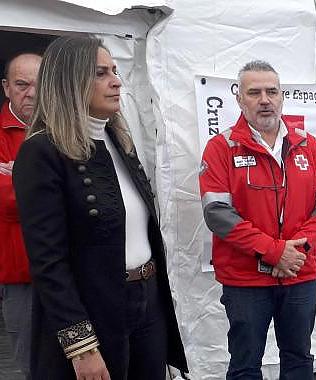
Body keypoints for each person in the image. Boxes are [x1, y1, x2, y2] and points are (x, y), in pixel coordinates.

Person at [12, 35, 188, 379]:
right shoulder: (42, 153)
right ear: (69, 81)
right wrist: (81, 347)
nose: (116, 80)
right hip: (95, 308)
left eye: (115, 70)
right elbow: (48, 261)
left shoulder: (118, 140)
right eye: (100, 73)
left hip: (147, 300)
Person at [199, 60, 316, 379]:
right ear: (239, 98)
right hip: (245, 280)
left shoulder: (308, 144)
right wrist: (274, 252)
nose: (265, 99)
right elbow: (217, 214)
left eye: (272, 91)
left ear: (282, 96)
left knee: (299, 356)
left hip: (300, 273)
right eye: (255, 92)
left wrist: (296, 251)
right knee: (245, 363)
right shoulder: (220, 148)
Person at [0, 52, 41, 378]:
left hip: (72, 275)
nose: (31, 93)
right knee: (33, 366)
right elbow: (7, 203)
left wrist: (20, 176)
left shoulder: (65, 129)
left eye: (39, 85)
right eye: (21, 84)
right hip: (22, 279)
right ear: (6, 88)